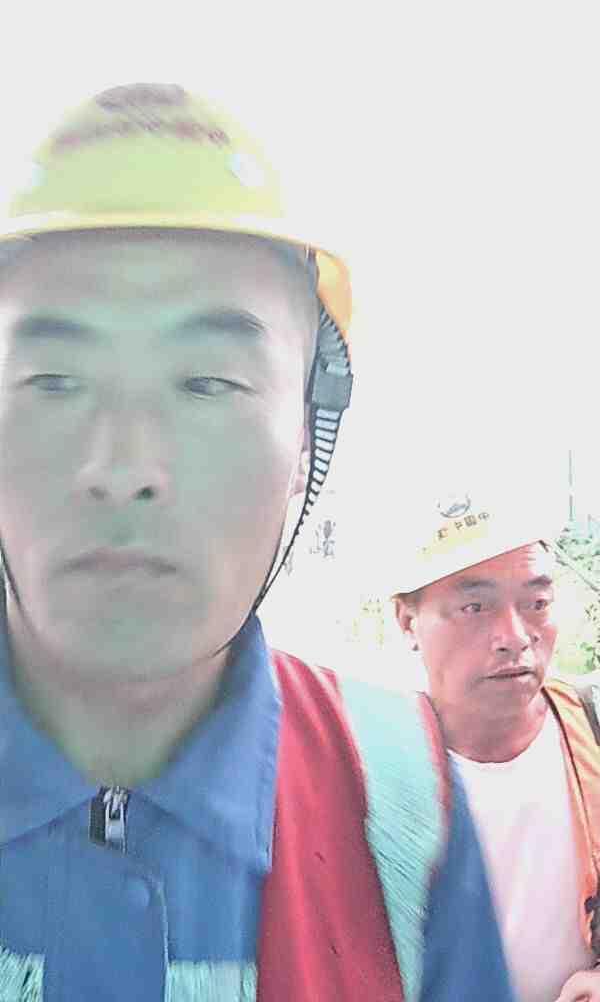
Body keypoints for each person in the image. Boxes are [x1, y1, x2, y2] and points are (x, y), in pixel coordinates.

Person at [0, 83, 515, 1001]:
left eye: (207, 383)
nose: (123, 468)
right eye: (53, 380)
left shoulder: (402, 794)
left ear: (309, 440)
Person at [392, 484, 600, 1002]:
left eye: (537, 604)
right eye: (475, 607)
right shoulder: (367, 769)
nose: (515, 636)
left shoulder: (591, 732)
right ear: (407, 621)